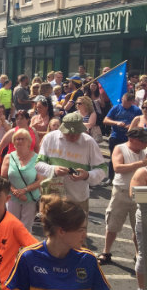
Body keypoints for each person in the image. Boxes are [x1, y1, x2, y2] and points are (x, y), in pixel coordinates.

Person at [36, 112, 107, 213]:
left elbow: (102, 169)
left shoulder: (89, 142)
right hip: (52, 198)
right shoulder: (50, 138)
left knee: (77, 229)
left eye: (77, 133)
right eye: (69, 134)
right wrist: (53, 169)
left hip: (77, 200)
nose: (73, 137)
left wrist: (87, 175)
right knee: (52, 228)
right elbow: (38, 164)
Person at [97, 128, 147, 270]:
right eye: (142, 141)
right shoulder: (120, 148)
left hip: (141, 192)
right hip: (122, 191)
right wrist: (141, 164)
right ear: (132, 139)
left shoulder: (145, 151)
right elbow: (117, 167)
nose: (145, 143)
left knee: (139, 225)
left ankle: (139, 254)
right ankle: (106, 252)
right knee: (113, 223)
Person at [0, 128, 44, 229]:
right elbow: (4, 178)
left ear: (29, 142)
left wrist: (24, 190)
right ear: (13, 142)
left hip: (30, 199)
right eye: (17, 139)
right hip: (12, 198)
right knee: (11, 226)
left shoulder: (37, 158)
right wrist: (15, 191)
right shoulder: (8, 157)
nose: (19, 141)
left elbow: (40, 180)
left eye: (23, 139)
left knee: (26, 228)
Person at [104, 92, 141, 184]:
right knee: (113, 157)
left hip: (129, 138)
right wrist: (116, 123)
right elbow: (105, 120)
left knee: (129, 158)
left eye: (127, 102)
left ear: (132, 102)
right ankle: (111, 177)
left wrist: (132, 126)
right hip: (116, 136)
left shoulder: (136, 110)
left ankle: (128, 178)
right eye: (123, 101)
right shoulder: (116, 108)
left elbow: (141, 123)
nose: (124, 104)